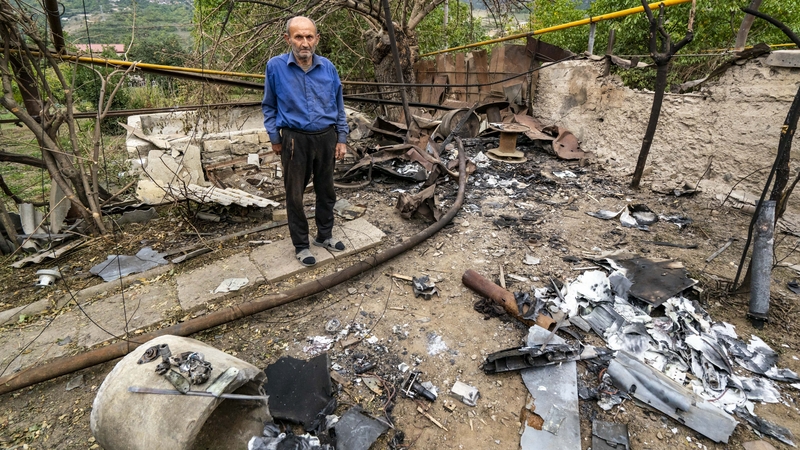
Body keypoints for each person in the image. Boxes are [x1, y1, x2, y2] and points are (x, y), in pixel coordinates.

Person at [262, 16, 349, 267]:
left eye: (309, 37)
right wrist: (274, 137)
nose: (304, 42)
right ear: (288, 39)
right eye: (298, 37)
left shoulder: (328, 68)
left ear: (316, 39)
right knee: (295, 195)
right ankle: (301, 245)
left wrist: (341, 138)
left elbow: (339, 106)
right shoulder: (275, 67)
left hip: (326, 137)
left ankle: (324, 236)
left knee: (326, 190)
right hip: (294, 140)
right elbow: (269, 105)